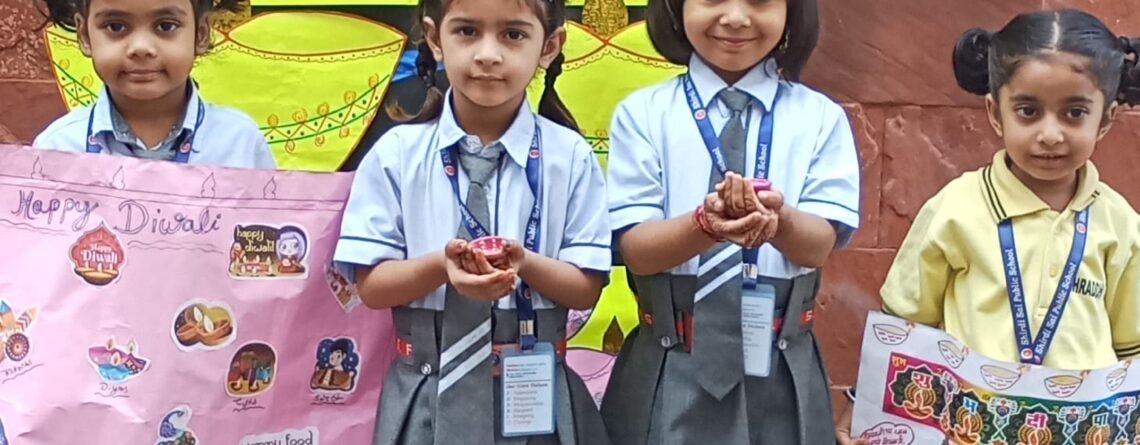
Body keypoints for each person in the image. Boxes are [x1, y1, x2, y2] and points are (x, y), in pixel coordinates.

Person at [837, 9, 1140, 444]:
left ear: (1106, 120)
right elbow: (903, 327)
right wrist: (858, 411)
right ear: (995, 113)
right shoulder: (955, 209)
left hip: (1084, 431)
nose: (1050, 134)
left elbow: (1132, 348)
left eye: (1074, 113)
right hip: (965, 429)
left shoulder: (1120, 224)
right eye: (1028, 111)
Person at [332, 0, 611, 441]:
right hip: (426, 392)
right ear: (433, 38)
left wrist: (525, 263)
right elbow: (372, 286)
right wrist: (441, 267)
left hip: (536, 395)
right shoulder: (395, 155)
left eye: (513, 34)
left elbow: (586, 287)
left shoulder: (571, 158)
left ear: (549, 46)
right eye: (466, 31)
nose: (487, 54)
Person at [601, 0, 861, 443]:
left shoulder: (820, 118)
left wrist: (779, 221)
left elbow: (819, 245)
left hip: (780, 367)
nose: (736, 17)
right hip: (668, 358)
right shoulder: (643, 114)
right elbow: (637, 252)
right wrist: (703, 226)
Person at [34, 0, 275, 169]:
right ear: (84, 35)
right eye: (116, 26)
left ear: (201, 34)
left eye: (166, 26)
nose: (141, 48)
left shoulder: (240, 143)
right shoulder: (57, 148)